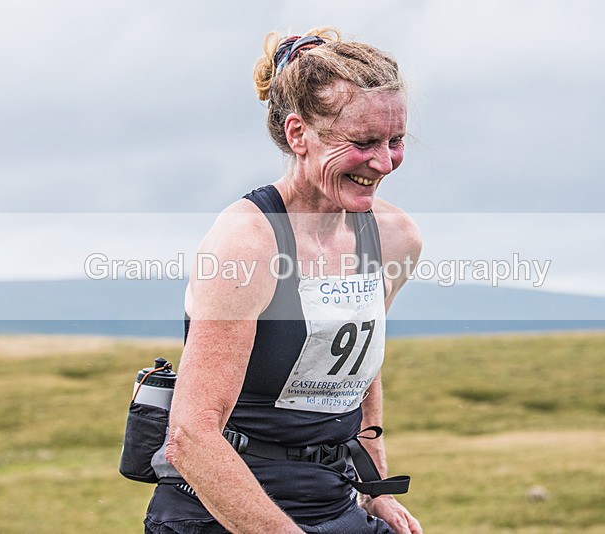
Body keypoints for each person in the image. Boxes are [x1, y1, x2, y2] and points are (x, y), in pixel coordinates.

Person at [144, 27, 423, 534]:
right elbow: (190, 436)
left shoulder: (395, 237)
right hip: (218, 513)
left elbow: (360, 369)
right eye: (362, 142)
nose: (384, 162)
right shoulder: (246, 243)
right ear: (298, 135)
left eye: (395, 140)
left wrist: (374, 487)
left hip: (333, 501)